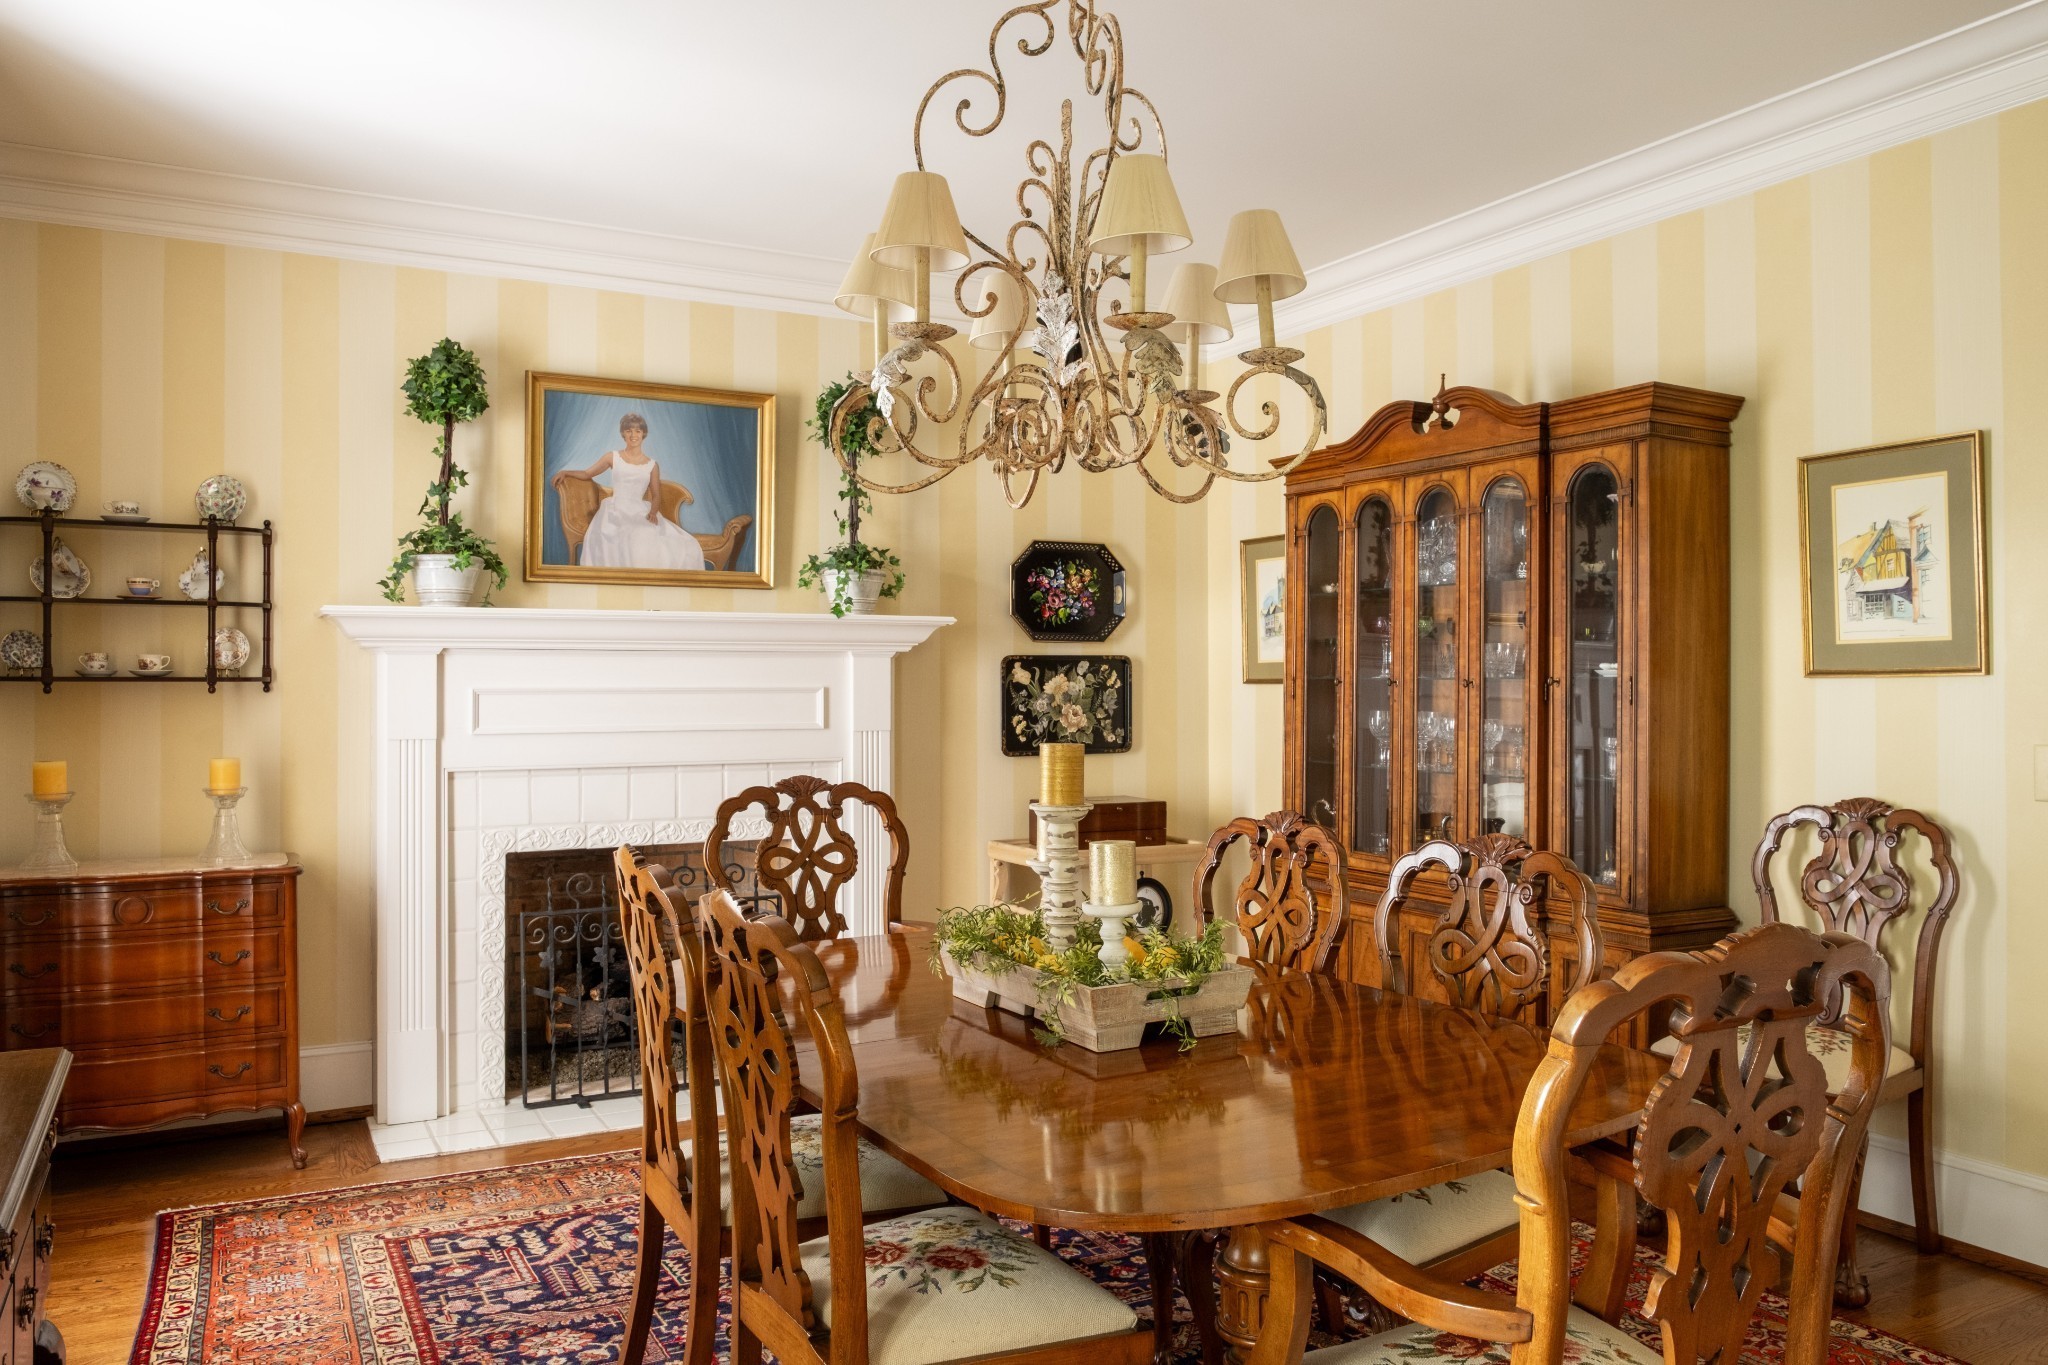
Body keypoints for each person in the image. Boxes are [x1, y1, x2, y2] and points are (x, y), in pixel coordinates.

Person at [552, 412, 706, 570]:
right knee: (633, 535)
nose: (633, 435)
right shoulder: (612, 457)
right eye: (629, 431)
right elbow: (587, 474)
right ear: (623, 434)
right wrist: (566, 472)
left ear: (643, 434)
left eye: (638, 431)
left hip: (641, 510)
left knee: (682, 543)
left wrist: (653, 512)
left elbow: (656, 494)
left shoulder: (652, 465)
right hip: (616, 509)